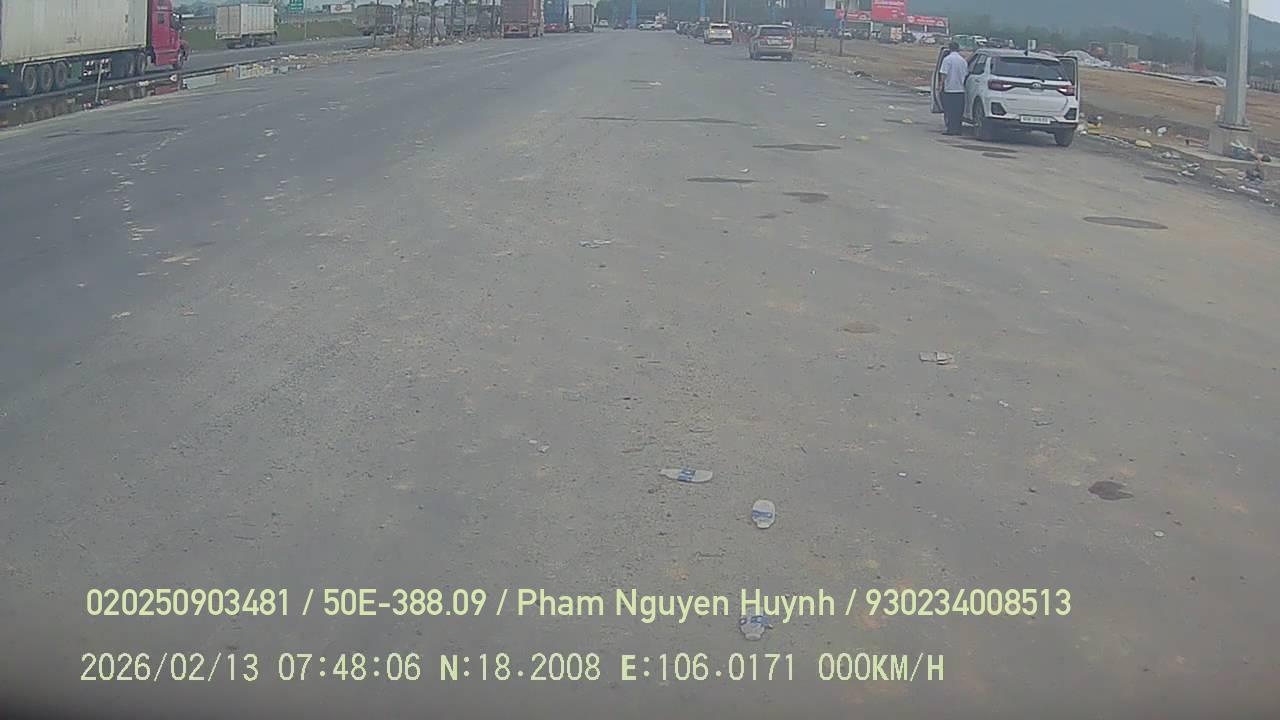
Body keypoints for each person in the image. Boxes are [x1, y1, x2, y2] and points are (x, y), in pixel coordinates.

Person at [938, 42, 968, 136]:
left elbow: (944, 74)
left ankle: (950, 129)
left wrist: (940, 85)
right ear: (958, 49)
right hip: (961, 90)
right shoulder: (963, 61)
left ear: (950, 48)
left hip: (950, 89)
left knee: (949, 111)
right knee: (958, 111)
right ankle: (958, 129)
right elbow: (966, 74)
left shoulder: (947, 59)